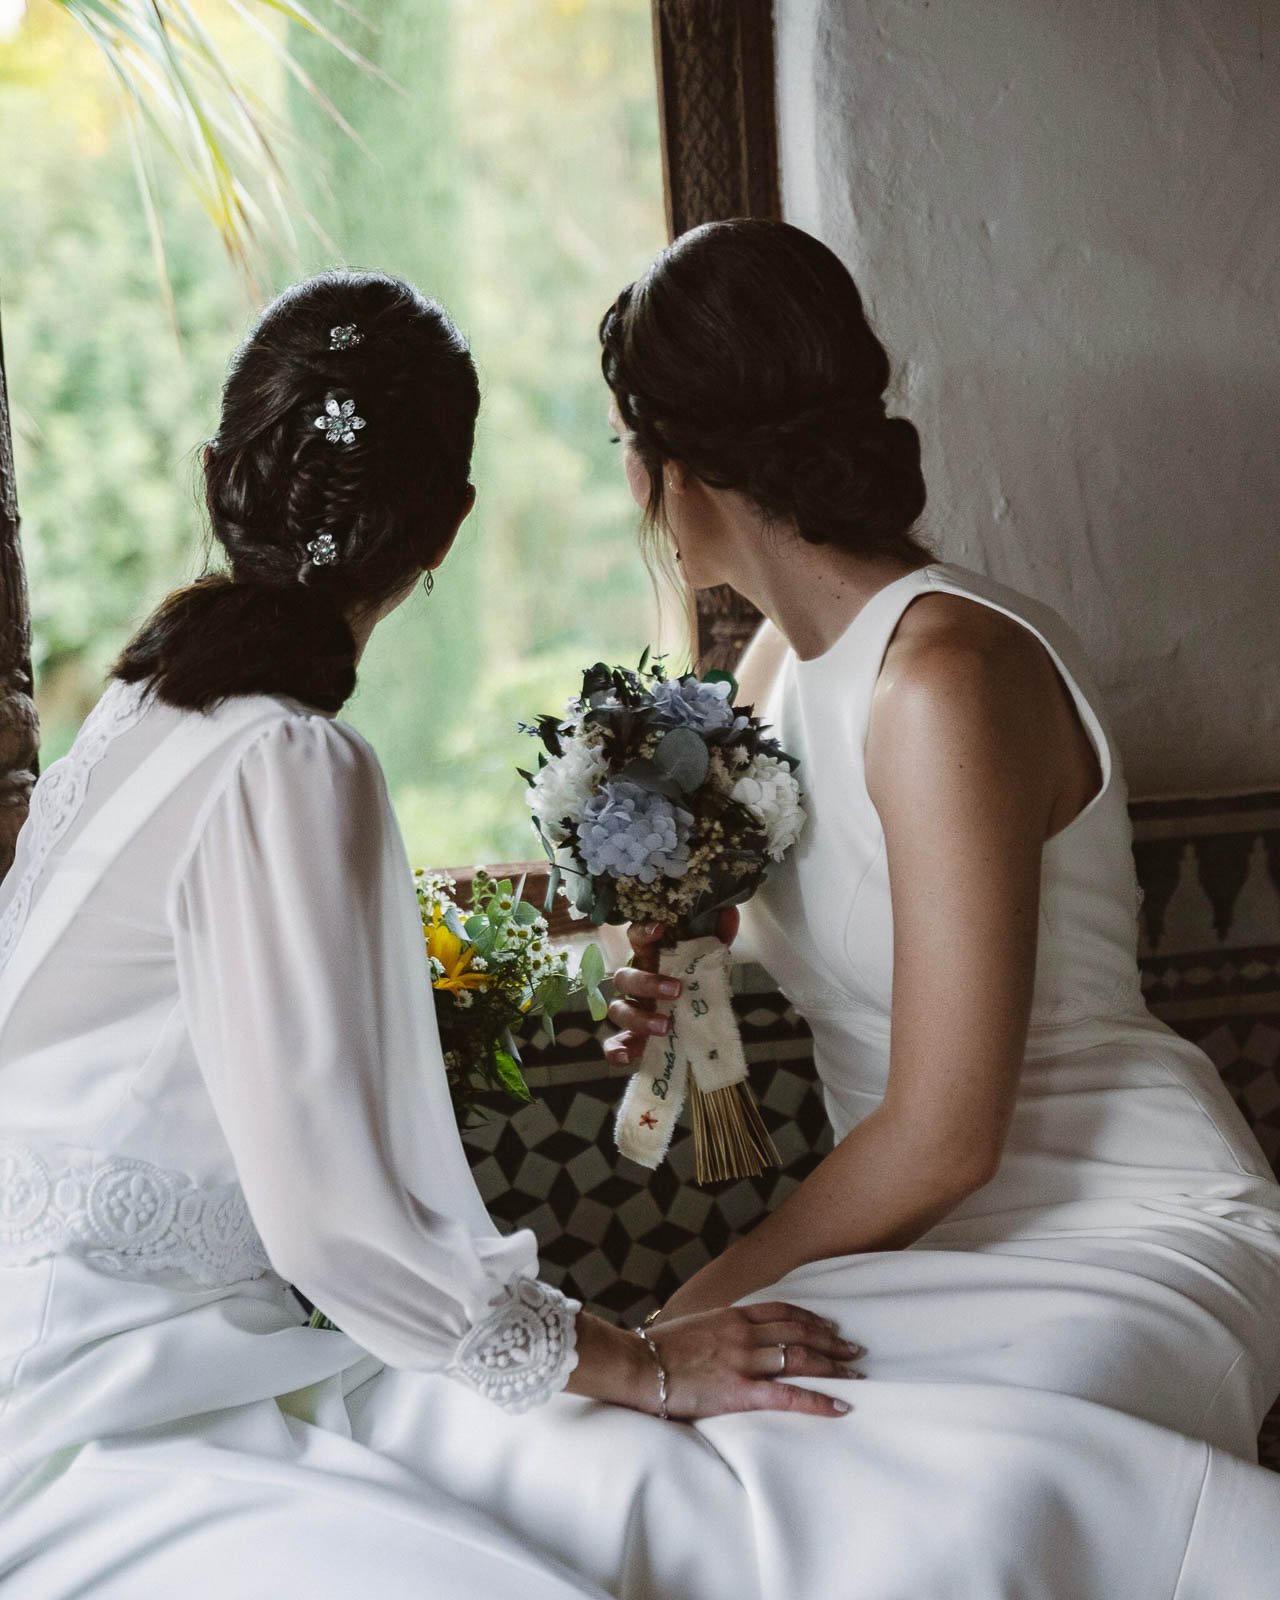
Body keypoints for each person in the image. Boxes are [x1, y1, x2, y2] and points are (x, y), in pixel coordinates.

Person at [349, 222, 1280, 1599]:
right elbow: (843, 913)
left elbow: (948, 1135)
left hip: (1129, 1226)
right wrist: (673, 953)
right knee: (644, 1469)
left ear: (664, 463)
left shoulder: (946, 674)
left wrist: (674, 1319)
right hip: (936, 1255)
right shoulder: (782, 666)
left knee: (909, 1515)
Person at [0, 268, 853, 1599]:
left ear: (215, 468)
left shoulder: (138, 712)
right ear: (447, 527)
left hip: (121, 1354)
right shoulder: (286, 755)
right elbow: (331, 1228)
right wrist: (644, 1362)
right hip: (109, 1404)